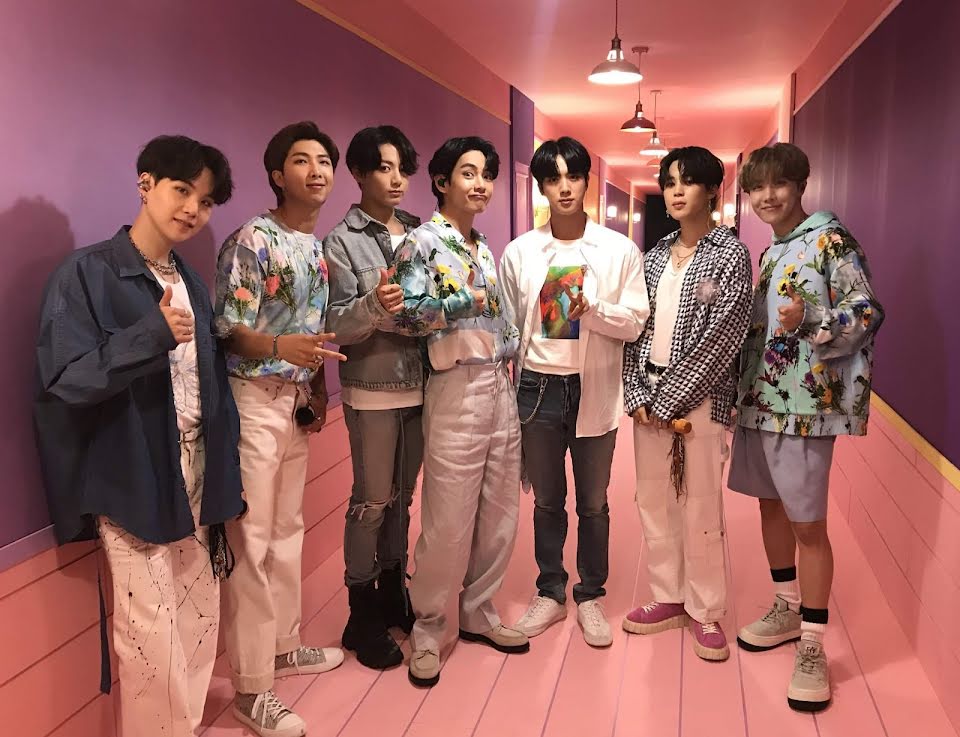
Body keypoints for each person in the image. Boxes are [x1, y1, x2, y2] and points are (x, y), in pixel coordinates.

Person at [35, 135, 244, 736]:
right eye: (182, 190)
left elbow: (210, 389)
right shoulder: (86, 274)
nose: (193, 210)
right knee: (148, 634)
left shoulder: (192, 283)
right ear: (145, 184)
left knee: (200, 614)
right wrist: (148, 336)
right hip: (131, 475)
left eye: (206, 201)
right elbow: (63, 381)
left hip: (198, 472)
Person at [730, 142, 884, 712]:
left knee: (808, 525)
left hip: (806, 408)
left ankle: (814, 643)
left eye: (778, 184)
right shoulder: (772, 251)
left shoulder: (831, 242)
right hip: (760, 400)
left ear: (800, 185)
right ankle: (786, 607)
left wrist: (813, 317)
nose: (767, 196)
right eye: (757, 187)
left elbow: (866, 311)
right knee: (770, 507)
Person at [216, 121, 347, 737]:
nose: (316, 170)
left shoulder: (313, 247)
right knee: (252, 540)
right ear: (276, 174)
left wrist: (314, 388)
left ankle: (282, 647)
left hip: (293, 403)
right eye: (301, 160)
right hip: (253, 401)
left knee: (288, 531)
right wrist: (277, 346)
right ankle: (251, 687)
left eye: (324, 160)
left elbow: (312, 339)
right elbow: (228, 328)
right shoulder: (253, 239)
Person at [385, 136, 527, 688]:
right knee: (447, 521)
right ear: (442, 181)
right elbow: (406, 315)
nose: (481, 184)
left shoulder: (484, 246)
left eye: (487, 174)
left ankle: (478, 611)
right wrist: (464, 301)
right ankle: (428, 628)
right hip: (454, 386)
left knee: (499, 512)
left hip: (498, 385)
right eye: (468, 173)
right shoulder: (421, 242)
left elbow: (499, 317)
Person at [500, 137, 649, 647]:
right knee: (546, 501)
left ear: (587, 181)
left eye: (573, 176)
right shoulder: (521, 251)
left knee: (593, 502)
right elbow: (508, 326)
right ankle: (550, 591)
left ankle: (590, 596)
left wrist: (595, 311)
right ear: (541, 187)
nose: (564, 187)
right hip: (536, 387)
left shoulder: (618, 250)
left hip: (594, 386)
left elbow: (635, 322)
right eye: (552, 178)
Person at [621, 146, 752, 662]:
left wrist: (670, 398)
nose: (676, 192)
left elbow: (722, 338)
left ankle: (705, 608)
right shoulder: (655, 256)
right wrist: (638, 394)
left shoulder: (730, 254)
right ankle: (669, 595)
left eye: (688, 181)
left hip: (698, 402)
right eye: (669, 182)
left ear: (712, 190)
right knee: (653, 500)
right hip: (648, 401)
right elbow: (635, 328)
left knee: (700, 504)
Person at [323, 125, 423, 670]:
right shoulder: (341, 241)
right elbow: (336, 324)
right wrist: (375, 304)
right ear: (359, 173)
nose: (396, 179)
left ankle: (393, 592)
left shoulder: (421, 232)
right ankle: (360, 614)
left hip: (421, 384)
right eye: (384, 168)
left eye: (402, 168)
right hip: (371, 386)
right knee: (371, 502)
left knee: (402, 499)